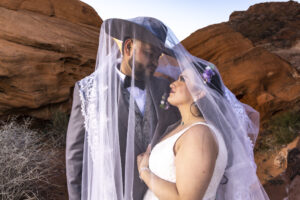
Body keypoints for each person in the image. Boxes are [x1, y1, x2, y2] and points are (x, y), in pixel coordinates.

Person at [65, 17, 180, 200]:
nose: (155, 62)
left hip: (157, 193)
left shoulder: (165, 90)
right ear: (128, 47)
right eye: (149, 53)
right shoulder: (89, 90)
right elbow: (75, 156)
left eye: (157, 56)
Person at [137, 60, 270, 200]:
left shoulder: (200, 135)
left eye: (183, 79)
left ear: (200, 92)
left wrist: (144, 171)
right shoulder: (182, 128)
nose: (173, 84)